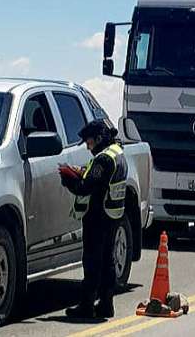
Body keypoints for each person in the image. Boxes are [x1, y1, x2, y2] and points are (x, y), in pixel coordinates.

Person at [59, 120, 128, 319]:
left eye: (88, 142)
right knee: (108, 261)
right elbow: (98, 177)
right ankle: (106, 304)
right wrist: (81, 171)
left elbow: (86, 187)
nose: (88, 146)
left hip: (98, 216)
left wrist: (69, 179)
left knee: (92, 262)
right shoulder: (117, 152)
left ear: (98, 139)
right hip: (113, 214)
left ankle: (86, 305)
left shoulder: (103, 159)